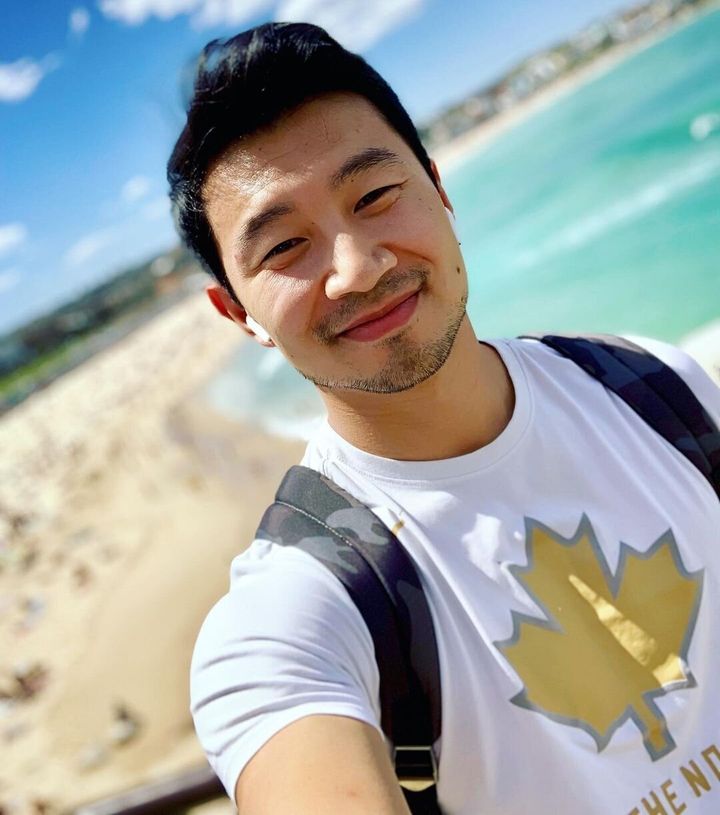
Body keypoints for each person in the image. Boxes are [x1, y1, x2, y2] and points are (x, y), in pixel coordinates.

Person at [167, 22, 720, 815]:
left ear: (440, 189)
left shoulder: (653, 384)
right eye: (286, 246)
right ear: (236, 312)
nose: (358, 268)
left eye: (376, 196)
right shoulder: (300, 608)